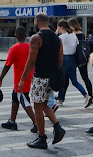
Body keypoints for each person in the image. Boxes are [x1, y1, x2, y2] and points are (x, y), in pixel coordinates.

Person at [18, 13, 65, 150]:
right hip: (53, 76)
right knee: (44, 104)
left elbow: (31, 61)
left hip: (40, 76)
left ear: (37, 21)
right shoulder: (58, 39)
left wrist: (22, 79)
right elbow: (60, 60)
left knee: (37, 106)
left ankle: (42, 137)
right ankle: (57, 127)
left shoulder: (36, 38)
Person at [0, 26, 37, 133]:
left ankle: (36, 122)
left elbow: (7, 65)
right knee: (15, 99)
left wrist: (0, 79)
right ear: (25, 36)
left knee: (24, 101)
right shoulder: (30, 47)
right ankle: (12, 121)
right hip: (29, 76)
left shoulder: (14, 48)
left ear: (15, 36)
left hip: (20, 80)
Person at [55, 19, 90, 108]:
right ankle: (86, 95)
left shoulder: (62, 37)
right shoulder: (73, 35)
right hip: (72, 59)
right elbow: (77, 44)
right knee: (74, 81)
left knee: (62, 80)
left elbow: (54, 41)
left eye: (58, 27)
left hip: (65, 58)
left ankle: (60, 99)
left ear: (62, 27)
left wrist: (56, 32)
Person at [68, 18, 93, 108]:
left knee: (69, 77)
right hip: (82, 58)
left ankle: (61, 96)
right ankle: (91, 95)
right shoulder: (82, 34)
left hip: (74, 58)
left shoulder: (72, 35)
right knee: (85, 77)